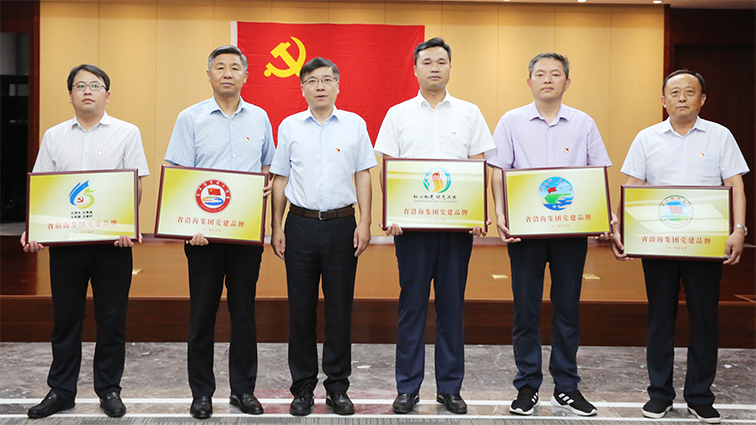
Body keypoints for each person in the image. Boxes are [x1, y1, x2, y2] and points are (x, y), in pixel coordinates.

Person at [612, 70, 748, 424]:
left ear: (702, 99)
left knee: (705, 319)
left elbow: (735, 184)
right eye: (675, 93)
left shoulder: (720, 135)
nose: (682, 98)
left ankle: (700, 396)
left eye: (690, 92)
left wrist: (739, 229)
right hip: (658, 243)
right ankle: (659, 395)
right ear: (664, 100)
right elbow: (633, 185)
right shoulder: (647, 138)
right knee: (660, 318)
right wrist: (620, 229)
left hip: (706, 243)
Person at [20, 64, 150, 418]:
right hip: (67, 245)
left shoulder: (127, 132)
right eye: (80, 86)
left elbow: (135, 183)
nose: (87, 91)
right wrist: (34, 228)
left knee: (111, 320)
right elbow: (43, 186)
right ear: (70, 95)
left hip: (112, 245)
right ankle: (61, 391)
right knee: (66, 320)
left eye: (95, 85)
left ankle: (109, 390)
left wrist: (128, 224)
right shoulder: (54, 136)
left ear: (107, 94)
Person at [374, 37, 495, 415]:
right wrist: (391, 214)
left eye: (441, 62)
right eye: (427, 62)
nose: (434, 68)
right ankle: (407, 388)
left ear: (450, 68)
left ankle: (450, 388)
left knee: (451, 309)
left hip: (457, 229)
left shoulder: (470, 113)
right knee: (411, 308)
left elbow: (479, 165)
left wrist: (478, 214)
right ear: (415, 69)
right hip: (411, 230)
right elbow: (387, 167)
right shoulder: (398, 114)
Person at [487, 53, 611, 417]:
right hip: (525, 232)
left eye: (555, 74)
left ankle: (567, 387)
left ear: (567, 82)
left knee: (567, 309)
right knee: (526, 311)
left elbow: (597, 173)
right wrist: (501, 213)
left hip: (570, 231)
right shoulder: (511, 121)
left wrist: (604, 214)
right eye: (540, 74)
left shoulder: (584, 123)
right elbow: (498, 171)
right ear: (529, 82)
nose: (547, 79)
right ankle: (527, 386)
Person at [164, 45, 274, 419]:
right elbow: (178, 174)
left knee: (244, 313)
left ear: (246, 75)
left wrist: (262, 188)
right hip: (203, 237)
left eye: (235, 68)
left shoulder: (259, 117)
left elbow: (267, 167)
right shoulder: (190, 118)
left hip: (244, 234)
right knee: (202, 314)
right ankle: (201, 393)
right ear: (208, 74)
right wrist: (188, 225)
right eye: (220, 67)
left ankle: (243, 390)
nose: (227, 73)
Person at [270, 57, 375, 417]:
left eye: (327, 80)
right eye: (312, 81)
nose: (320, 86)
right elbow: (280, 178)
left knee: (339, 309)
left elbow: (364, 173)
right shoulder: (289, 126)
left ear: (338, 86)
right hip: (299, 225)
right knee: (300, 311)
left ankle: (337, 388)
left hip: (341, 225)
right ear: (302, 88)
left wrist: (365, 221)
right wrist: (277, 226)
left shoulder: (355, 125)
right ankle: (302, 388)